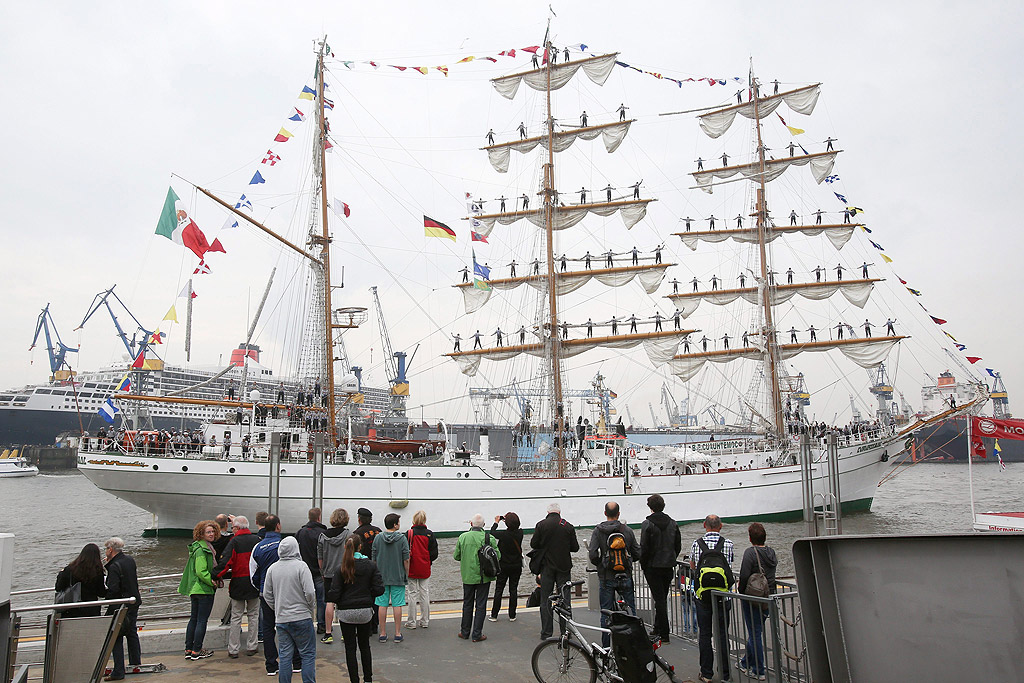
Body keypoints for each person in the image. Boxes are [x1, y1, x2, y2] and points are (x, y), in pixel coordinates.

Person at [328, 537, 384, 683]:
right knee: (365, 646)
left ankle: (354, 680)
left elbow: (334, 594)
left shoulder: (341, 568)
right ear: (360, 547)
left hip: (346, 612)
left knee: (350, 648)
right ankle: (368, 679)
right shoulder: (370, 565)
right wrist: (367, 595)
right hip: (365, 611)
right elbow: (379, 589)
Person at [264, 537, 317, 683]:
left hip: (282, 619)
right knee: (307, 654)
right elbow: (310, 592)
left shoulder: (272, 569)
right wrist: (310, 607)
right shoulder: (301, 566)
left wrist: (277, 608)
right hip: (302, 617)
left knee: (285, 656)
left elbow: (267, 594)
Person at [251, 515, 299, 676]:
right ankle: (296, 661)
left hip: (266, 594)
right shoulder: (286, 546)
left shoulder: (258, 547)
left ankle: (271, 665)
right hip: (287, 593)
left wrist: (262, 589)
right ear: (278, 526)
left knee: (268, 629)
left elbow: (253, 575)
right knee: (291, 625)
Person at [588, 502, 640, 648]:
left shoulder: (598, 531)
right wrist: (628, 562)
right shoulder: (627, 530)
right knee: (631, 610)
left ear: (605, 513)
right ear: (619, 514)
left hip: (606, 577)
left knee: (606, 612)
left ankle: (606, 647)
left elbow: (592, 553)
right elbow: (637, 552)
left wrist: (601, 564)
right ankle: (633, 644)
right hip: (625, 575)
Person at [690, 514, 735, 683]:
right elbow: (729, 565)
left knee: (705, 634)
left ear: (704, 525)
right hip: (723, 597)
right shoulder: (728, 544)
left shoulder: (697, 544)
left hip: (702, 596)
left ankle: (706, 673)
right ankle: (725, 674)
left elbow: (693, 566)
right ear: (721, 526)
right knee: (723, 634)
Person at [213, 515, 261, 659]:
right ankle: (252, 646)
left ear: (238, 528)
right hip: (254, 584)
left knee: (236, 617)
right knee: (253, 616)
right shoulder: (256, 540)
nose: (232, 530)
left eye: (233, 527)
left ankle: (233, 649)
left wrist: (214, 575)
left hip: (238, 584)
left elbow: (225, 562)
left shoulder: (234, 542)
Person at [531, 502, 579, 640]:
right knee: (565, 599)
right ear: (559, 512)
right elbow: (575, 548)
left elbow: (534, 544)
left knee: (546, 599)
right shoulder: (567, 526)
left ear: (548, 512)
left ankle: (546, 633)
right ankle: (565, 631)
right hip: (564, 567)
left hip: (547, 567)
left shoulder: (541, 525)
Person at [639, 494, 682, 644]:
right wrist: (671, 557)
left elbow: (644, 547)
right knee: (662, 597)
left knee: (659, 599)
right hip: (668, 565)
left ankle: (664, 633)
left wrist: (644, 564)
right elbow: (678, 545)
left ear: (650, 507)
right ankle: (658, 628)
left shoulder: (647, 524)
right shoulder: (673, 523)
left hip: (653, 566)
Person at [738, 523, 778, 680]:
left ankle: (758, 670)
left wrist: (741, 593)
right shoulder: (771, 552)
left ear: (750, 538)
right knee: (756, 630)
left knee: (755, 634)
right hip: (768, 596)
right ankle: (745, 662)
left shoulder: (750, 553)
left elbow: (744, 575)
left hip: (753, 597)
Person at [454, 513, 501, 642]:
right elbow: (498, 556)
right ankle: (477, 634)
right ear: (484, 525)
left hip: (467, 576)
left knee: (467, 603)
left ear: (471, 524)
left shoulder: (463, 537)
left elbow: (456, 556)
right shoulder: (489, 538)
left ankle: (464, 632)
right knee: (481, 605)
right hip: (483, 577)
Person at [178, 520, 221, 660]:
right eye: (208, 532)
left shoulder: (196, 547)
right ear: (201, 534)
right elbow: (201, 571)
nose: (211, 534)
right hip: (203, 589)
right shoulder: (203, 550)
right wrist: (212, 582)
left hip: (195, 589)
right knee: (201, 621)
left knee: (194, 619)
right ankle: (197, 650)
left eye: (213, 531)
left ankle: (189, 649)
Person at [103, 538, 141, 681]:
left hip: (120, 606)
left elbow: (113, 589)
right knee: (131, 632)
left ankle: (118, 670)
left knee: (116, 636)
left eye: (106, 549)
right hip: (133, 601)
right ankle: (135, 663)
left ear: (110, 550)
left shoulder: (114, 566)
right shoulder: (129, 560)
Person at [371, 513, 410, 643]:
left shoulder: (378, 538)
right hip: (398, 576)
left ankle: (382, 633)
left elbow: (374, 558)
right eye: (398, 522)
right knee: (397, 605)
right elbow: (406, 559)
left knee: (382, 605)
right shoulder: (402, 539)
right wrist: (406, 573)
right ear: (394, 524)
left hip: (381, 577)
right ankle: (397, 633)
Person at [317, 508, 352, 643]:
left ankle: (328, 633)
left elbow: (320, 557)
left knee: (329, 602)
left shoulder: (322, 536)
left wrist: (323, 571)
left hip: (329, 572)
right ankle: (345, 632)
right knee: (344, 602)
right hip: (344, 572)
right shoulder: (348, 535)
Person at [294, 508, 328, 635]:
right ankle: (322, 625)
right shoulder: (323, 533)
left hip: (303, 571)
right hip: (319, 572)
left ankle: (304, 624)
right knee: (321, 600)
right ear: (319, 518)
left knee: (303, 599)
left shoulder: (300, 532)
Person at [55, 543, 107, 619]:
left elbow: (58, 587)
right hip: (91, 610)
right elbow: (101, 593)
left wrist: (61, 573)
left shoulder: (70, 569)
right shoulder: (98, 571)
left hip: (72, 609)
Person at [406, 510, 438, 629]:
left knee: (412, 594)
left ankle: (411, 622)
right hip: (424, 567)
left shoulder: (409, 533)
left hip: (412, 568)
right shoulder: (429, 534)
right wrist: (428, 561)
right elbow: (434, 552)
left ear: (414, 520)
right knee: (424, 593)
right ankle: (425, 621)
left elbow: (404, 551)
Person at [489, 512, 523, 622]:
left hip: (503, 565)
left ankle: (494, 615)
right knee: (513, 590)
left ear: (507, 523)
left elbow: (492, 533)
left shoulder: (503, 535)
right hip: (516, 565)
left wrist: (496, 522)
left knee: (499, 589)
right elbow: (513, 528)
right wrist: (507, 521)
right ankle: (512, 615)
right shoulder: (520, 533)